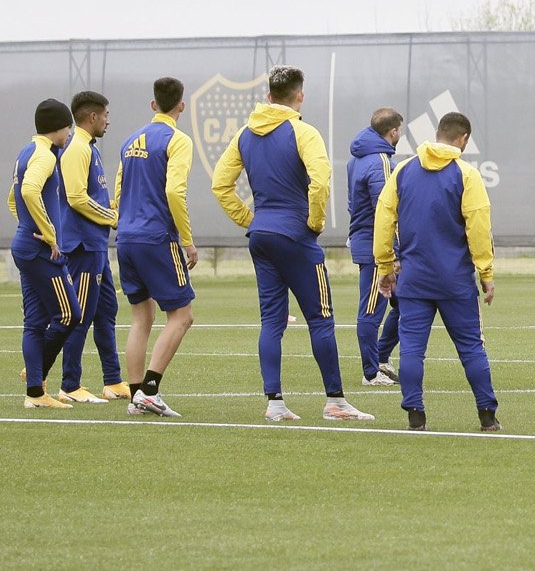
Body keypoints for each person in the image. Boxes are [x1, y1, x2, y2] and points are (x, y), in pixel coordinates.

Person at [212, 65, 371, 423]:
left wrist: (250, 220)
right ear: (299, 96)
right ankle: (335, 402)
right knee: (321, 318)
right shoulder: (303, 131)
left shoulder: (244, 135)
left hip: (262, 236)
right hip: (295, 235)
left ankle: (275, 403)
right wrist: (314, 222)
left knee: (271, 321)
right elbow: (320, 180)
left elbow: (221, 185)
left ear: (268, 96)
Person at [374, 112, 499, 432]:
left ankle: (415, 415)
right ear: (464, 140)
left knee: (413, 348)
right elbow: (479, 225)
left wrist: (385, 266)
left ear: (436, 133)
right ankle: (487, 415)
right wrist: (486, 272)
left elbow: (384, 219)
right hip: (455, 279)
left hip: (414, 278)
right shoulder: (466, 174)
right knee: (471, 347)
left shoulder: (403, 170)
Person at [113, 78, 198, 417]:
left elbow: (119, 190)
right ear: (181, 105)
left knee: (140, 317)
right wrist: (187, 241)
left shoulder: (130, 140)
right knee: (182, 316)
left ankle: (136, 396)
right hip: (156, 238)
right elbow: (175, 192)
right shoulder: (177, 140)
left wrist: (125, 222)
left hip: (126, 238)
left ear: (153, 105)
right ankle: (149, 389)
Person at [11, 99, 82, 409]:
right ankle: (35, 375)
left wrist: (27, 226)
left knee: (35, 323)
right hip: (40, 250)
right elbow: (27, 191)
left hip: (25, 245)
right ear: (57, 127)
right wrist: (48, 233)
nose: (69, 133)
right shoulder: (45, 155)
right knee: (69, 314)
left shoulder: (27, 151)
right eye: (68, 127)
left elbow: (13, 201)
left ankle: (35, 394)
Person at [56, 90, 126, 404]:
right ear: (93, 116)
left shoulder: (89, 147)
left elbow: (91, 196)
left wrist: (113, 208)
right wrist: (112, 217)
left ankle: (112, 381)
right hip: (83, 245)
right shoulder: (76, 148)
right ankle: (70, 384)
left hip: (96, 244)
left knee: (107, 310)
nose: (109, 121)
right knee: (79, 314)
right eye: (106, 115)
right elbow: (76, 198)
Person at [348, 108, 403, 386]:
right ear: (393, 132)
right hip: (376, 247)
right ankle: (371, 373)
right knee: (371, 308)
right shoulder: (380, 160)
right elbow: (384, 209)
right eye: (399, 131)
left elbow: (352, 204)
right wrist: (391, 252)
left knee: (405, 301)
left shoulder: (356, 158)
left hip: (366, 240)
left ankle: (380, 356)